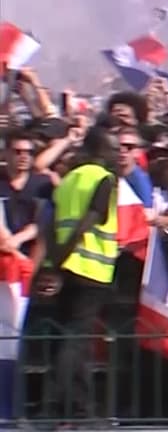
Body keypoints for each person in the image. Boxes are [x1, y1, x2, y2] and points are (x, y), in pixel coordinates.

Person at [34, 125, 119, 422]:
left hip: (67, 269)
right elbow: (88, 222)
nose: (117, 153)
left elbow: (48, 223)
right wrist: (62, 258)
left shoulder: (68, 180)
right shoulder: (105, 179)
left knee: (77, 342)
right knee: (74, 341)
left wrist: (54, 263)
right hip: (90, 270)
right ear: (100, 150)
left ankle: (84, 413)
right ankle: (51, 408)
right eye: (113, 148)